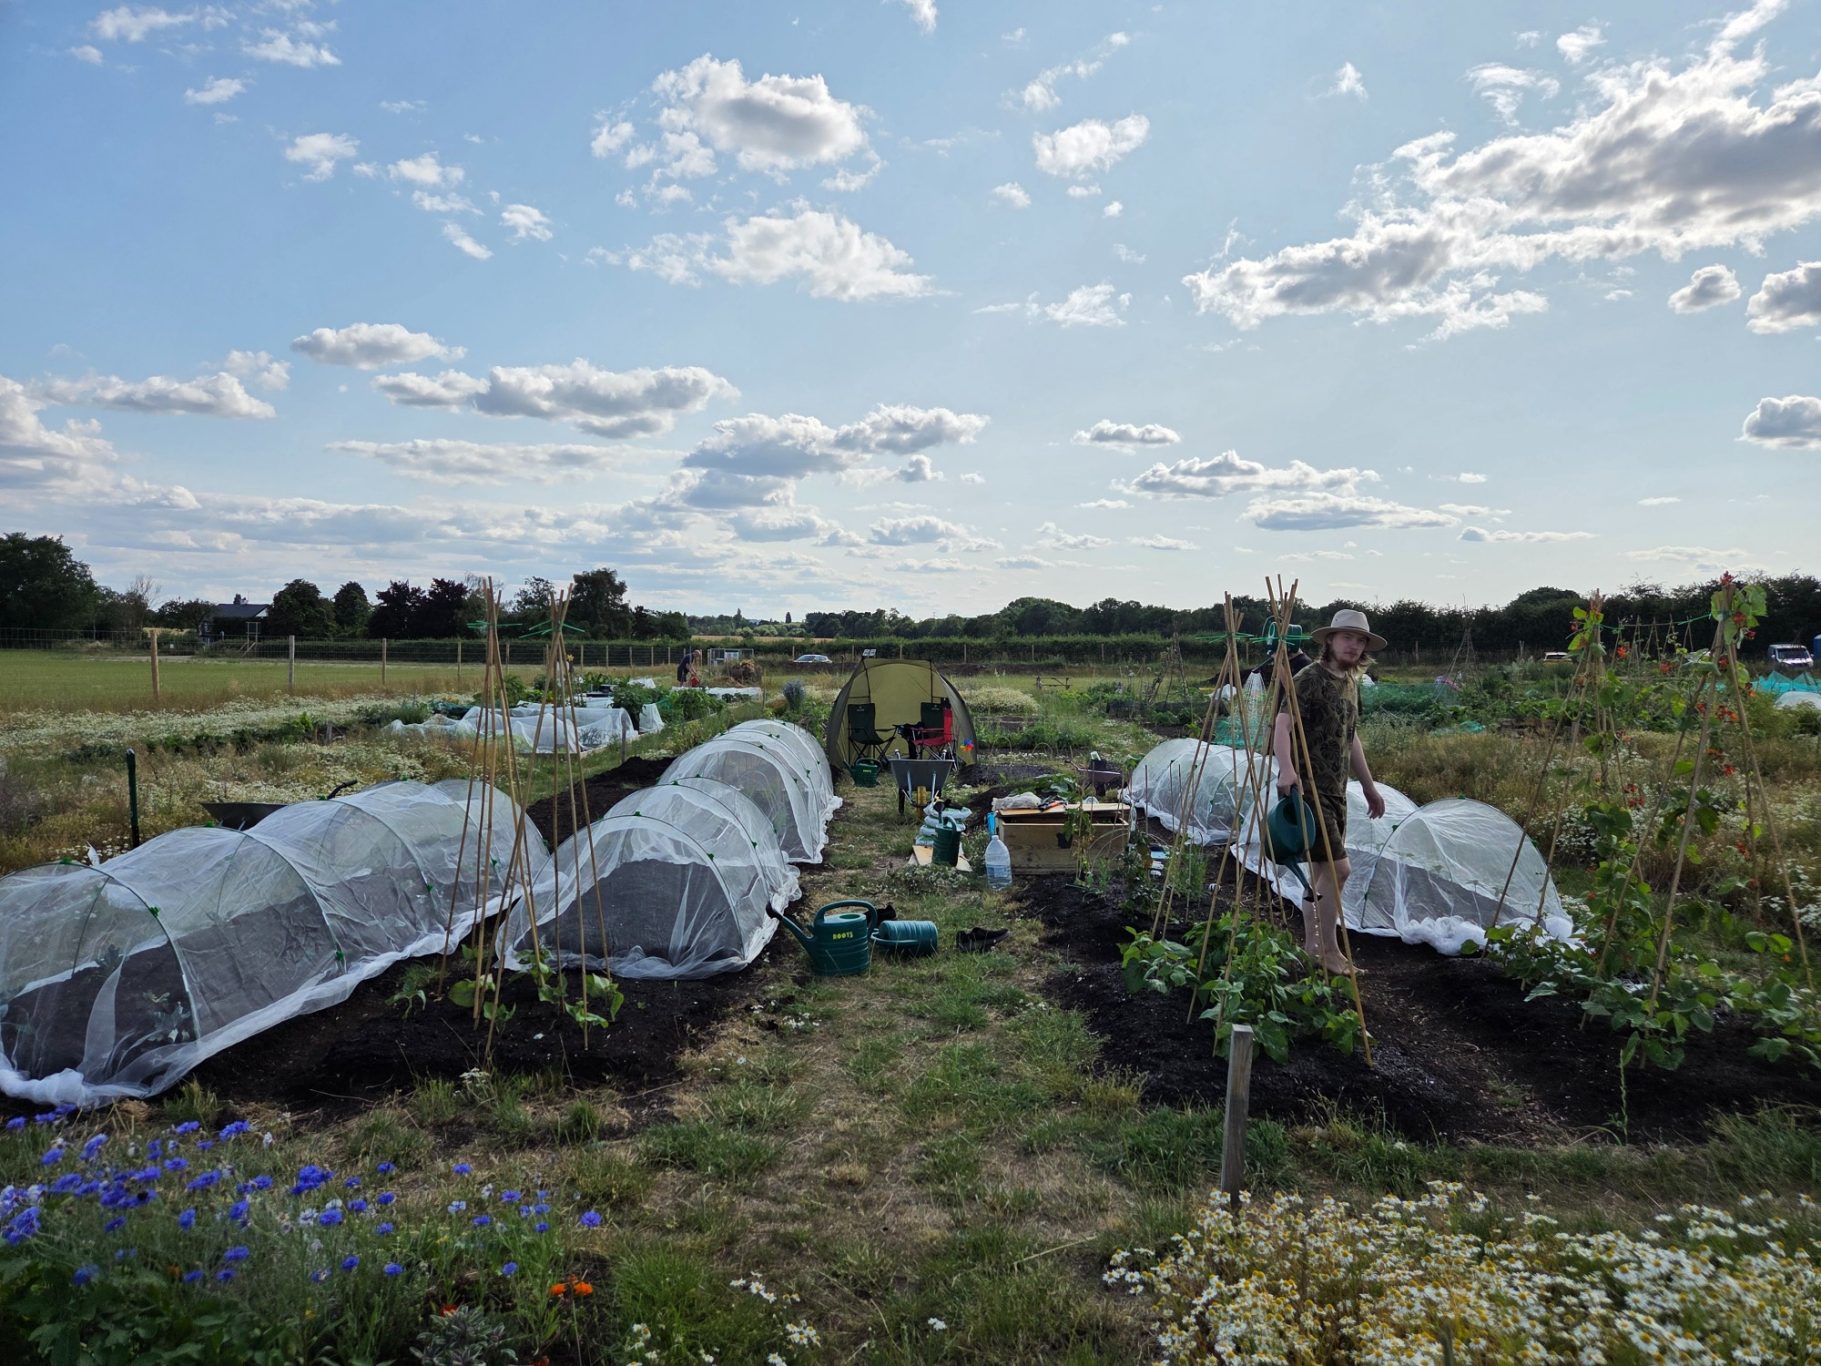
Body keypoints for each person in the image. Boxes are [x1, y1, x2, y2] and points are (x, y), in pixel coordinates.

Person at [1272, 609, 1388, 975]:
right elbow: (1282, 724)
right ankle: (1331, 951)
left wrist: (1369, 787)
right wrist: (1287, 769)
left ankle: (1311, 946)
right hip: (1309, 790)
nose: (1353, 645)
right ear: (1330, 641)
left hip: (1337, 791)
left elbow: (1351, 737)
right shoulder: (1309, 678)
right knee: (1341, 869)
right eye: (1347, 638)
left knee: (1323, 872)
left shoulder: (1351, 683)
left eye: (1360, 640)